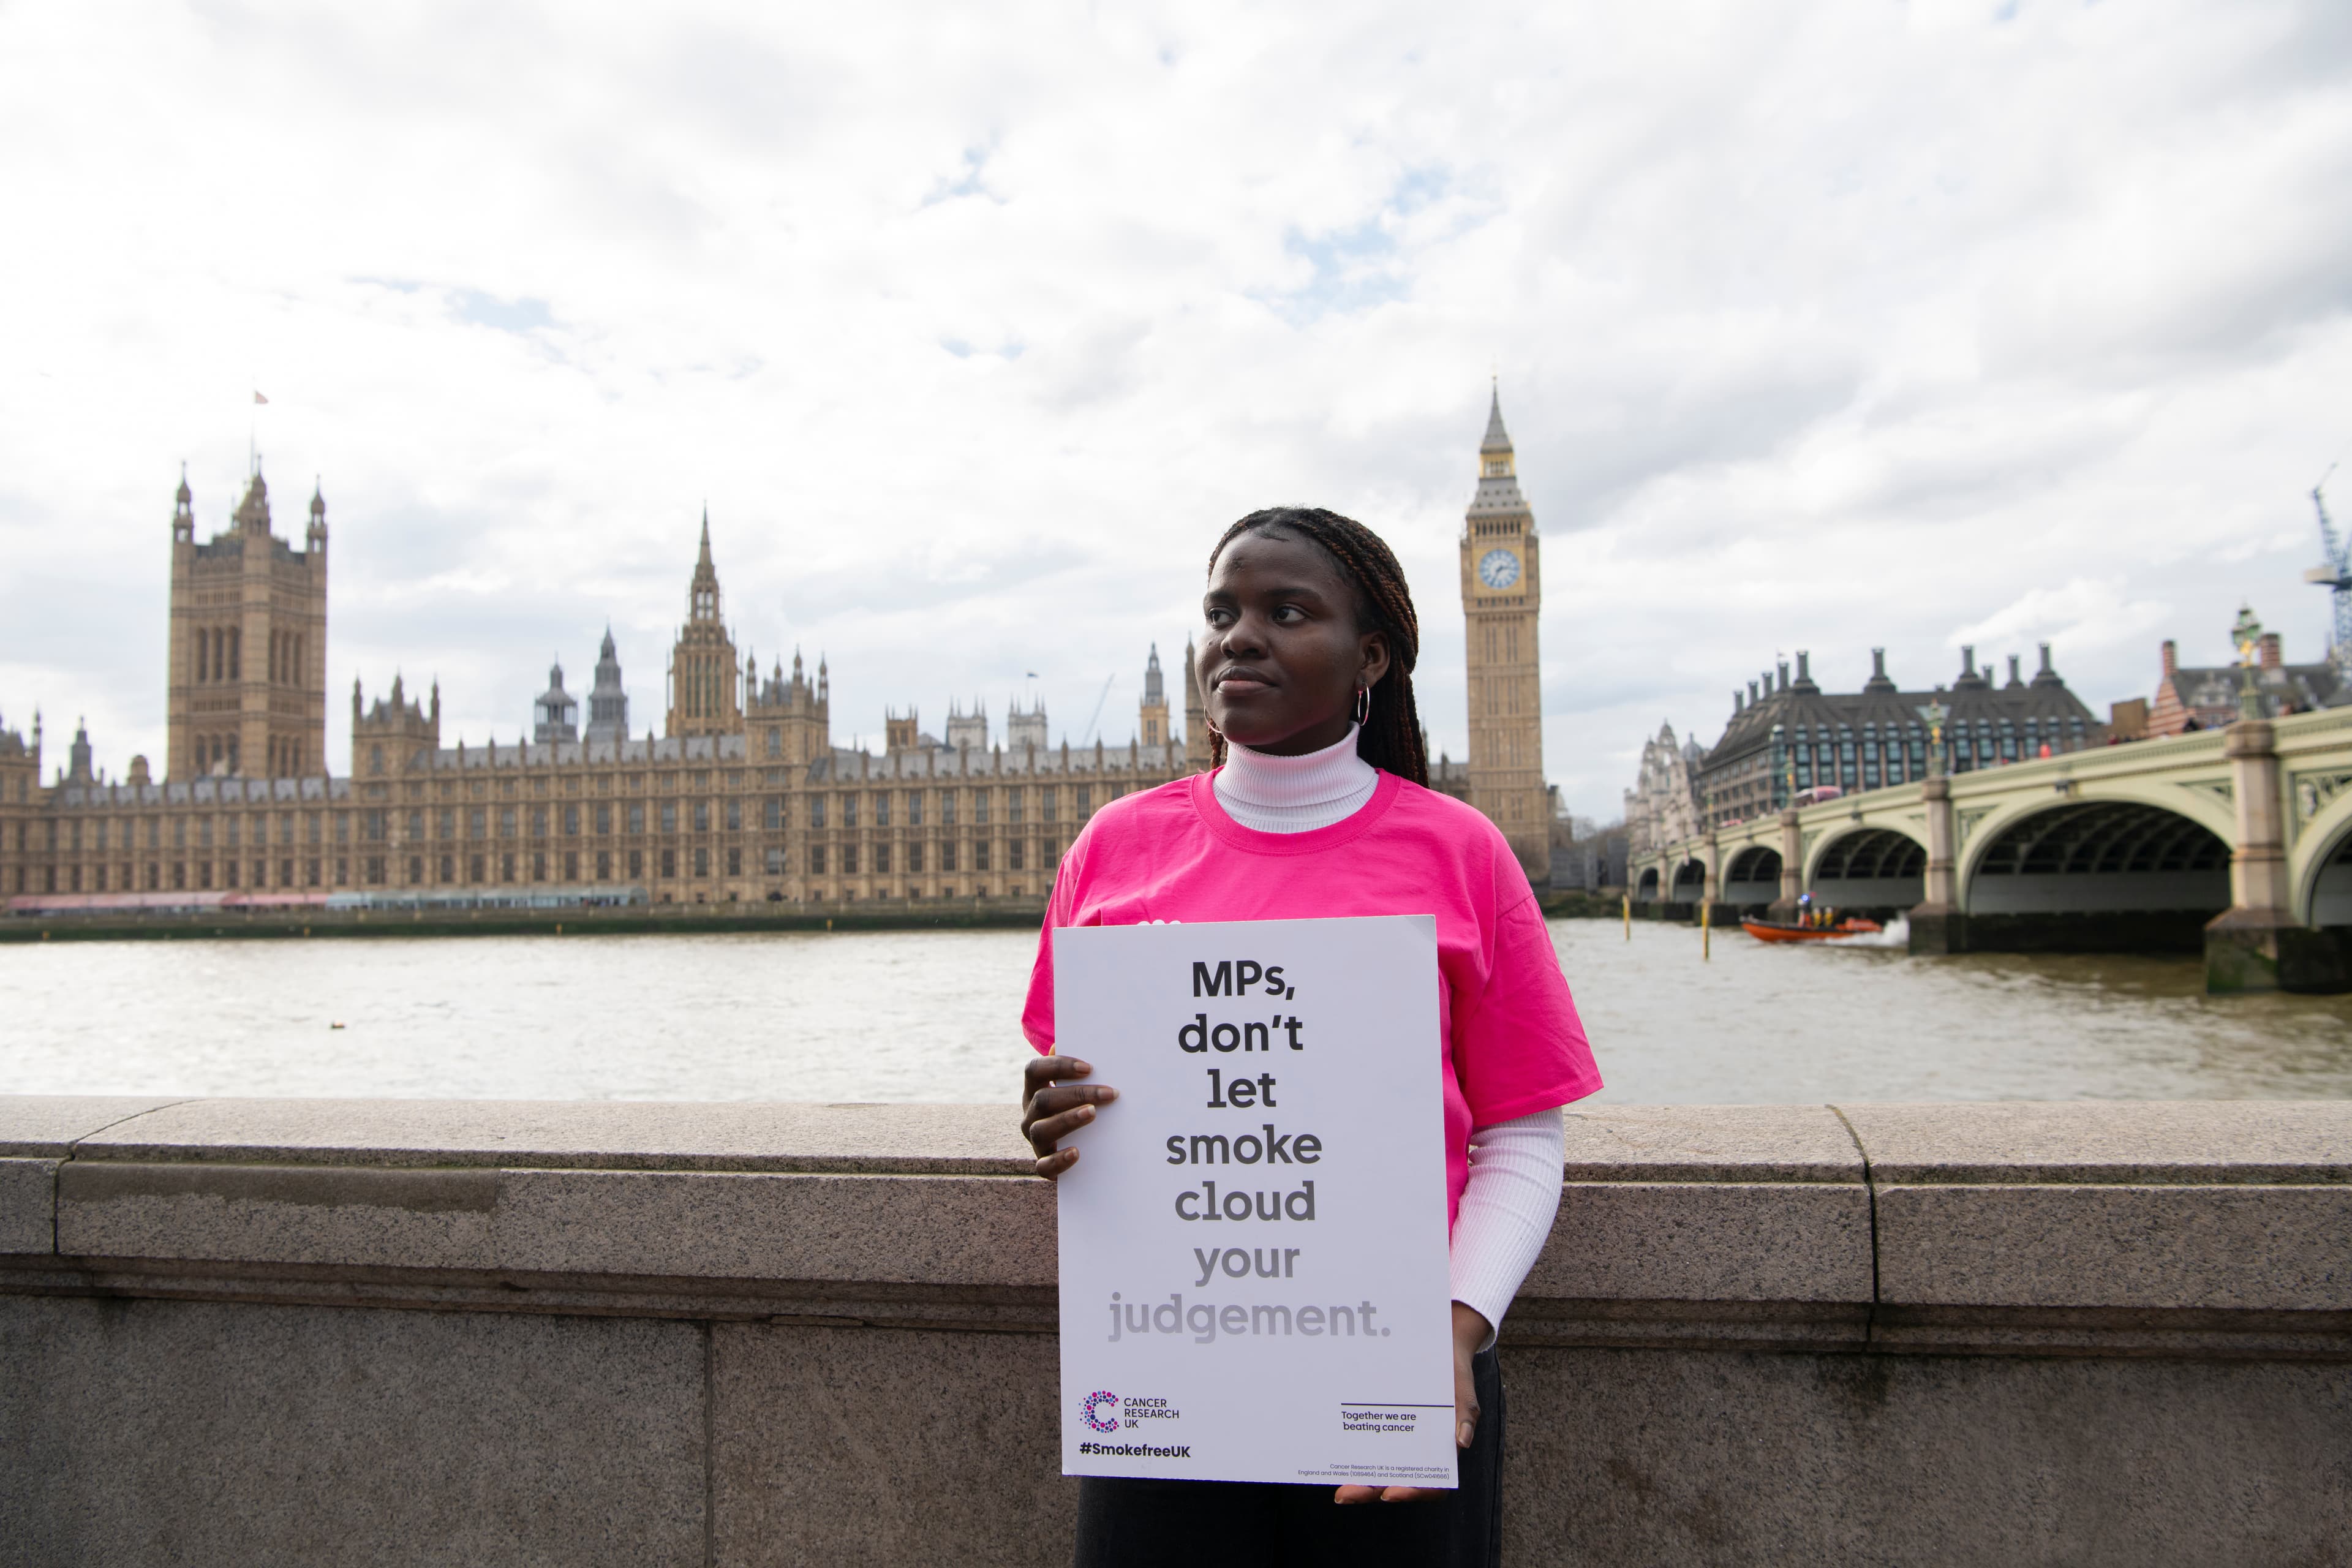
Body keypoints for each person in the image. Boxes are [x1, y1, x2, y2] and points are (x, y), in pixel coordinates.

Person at [1020, 507, 1602, 1568]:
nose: (1239, 636)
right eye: (1221, 611)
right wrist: (1052, 1115)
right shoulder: (1114, 848)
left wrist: (1453, 1333)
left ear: (1370, 655)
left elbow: (1520, 1139)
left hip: (1396, 1380)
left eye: (1287, 612)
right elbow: (1089, 1099)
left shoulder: (1458, 851)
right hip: (1166, 1388)